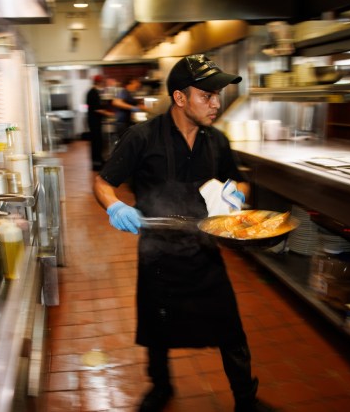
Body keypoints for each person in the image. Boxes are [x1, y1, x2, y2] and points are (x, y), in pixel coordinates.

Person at [93, 54, 274, 412]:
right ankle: (160, 388)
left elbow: (238, 179)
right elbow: (103, 183)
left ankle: (246, 400)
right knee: (157, 328)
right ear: (179, 98)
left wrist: (235, 192)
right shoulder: (142, 137)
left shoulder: (216, 141)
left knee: (231, 328)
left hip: (204, 249)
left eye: (218, 95)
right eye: (207, 95)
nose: (216, 103)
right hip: (158, 253)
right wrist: (115, 205)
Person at [86, 74, 113, 171]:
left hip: (95, 121)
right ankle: (96, 164)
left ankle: (99, 161)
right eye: (103, 82)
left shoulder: (95, 92)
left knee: (98, 142)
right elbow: (96, 109)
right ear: (99, 82)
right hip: (94, 121)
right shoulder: (92, 93)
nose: (104, 83)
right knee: (96, 142)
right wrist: (109, 114)